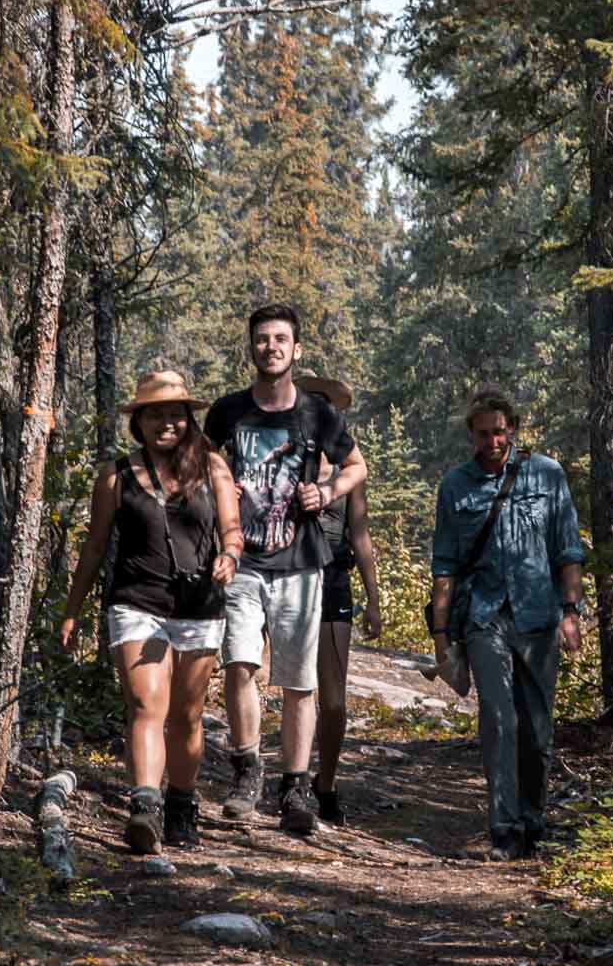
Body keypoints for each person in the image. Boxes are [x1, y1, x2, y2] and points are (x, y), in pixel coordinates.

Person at [60, 370, 243, 854]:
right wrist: (72, 610)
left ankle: (182, 804)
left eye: (175, 415)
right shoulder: (116, 475)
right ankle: (144, 806)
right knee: (146, 704)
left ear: (188, 420)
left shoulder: (213, 468)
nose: (166, 423)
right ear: (137, 422)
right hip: (136, 602)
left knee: (187, 715)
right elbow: (95, 547)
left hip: (199, 606)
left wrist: (229, 556)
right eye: (155, 415)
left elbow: (231, 528)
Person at [204, 305, 368, 835]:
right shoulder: (228, 412)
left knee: (299, 681)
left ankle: (296, 787)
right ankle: (247, 770)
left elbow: (357, 465)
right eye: (262, 339)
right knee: (239, 664)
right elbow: (201, 460)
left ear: (296, 349)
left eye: (280, 339)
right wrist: (219, 486)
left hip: (300, 562)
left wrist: (327, 490)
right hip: (242, 559)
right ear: (251, 347)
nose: (270, 347)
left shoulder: (318, 415)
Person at [428, 386, 584, 861]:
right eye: (483, 434)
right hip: (483, 616)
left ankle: (533, 819)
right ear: (471, 435)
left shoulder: (548, 474)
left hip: (538, 614)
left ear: (512, 429)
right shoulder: (456, 485)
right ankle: (504, 827)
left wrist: (572, 612)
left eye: (499, 432)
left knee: (537, 727)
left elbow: (567, 547)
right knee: (498, 718)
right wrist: (441, 635)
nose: (492, 442)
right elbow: (444, 565)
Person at [297, 374, 383, 826]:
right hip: (287, 577)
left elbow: (360, 532)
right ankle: (294, 781)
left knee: (332, 701)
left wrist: (373, 598)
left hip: (334, 580)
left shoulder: (349, 466)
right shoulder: (283, 458)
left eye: (323, 403)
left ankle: (325, 782)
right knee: (296, 689)